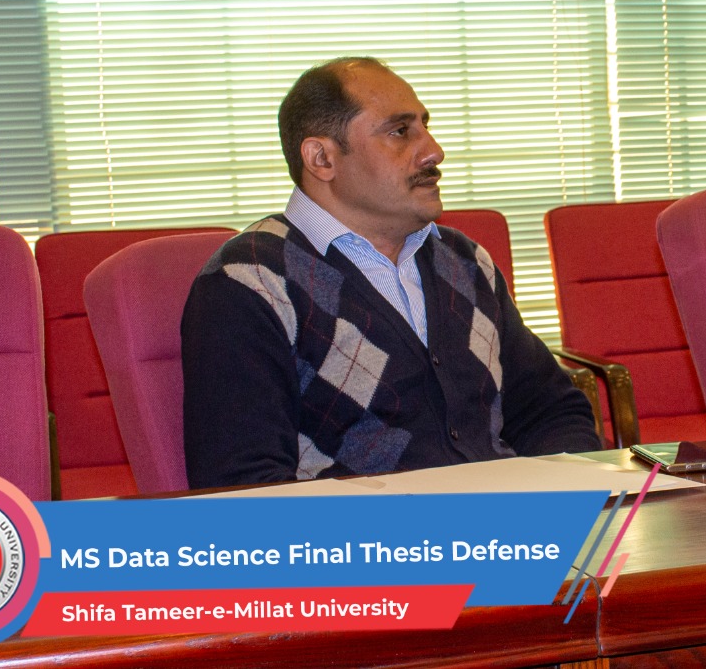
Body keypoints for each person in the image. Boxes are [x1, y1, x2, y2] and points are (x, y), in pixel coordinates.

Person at [182, 56, 600, 488]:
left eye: (425, 126)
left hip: (516, 519)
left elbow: (550, 411)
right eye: (400, 132)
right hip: (367, 531)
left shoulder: (463, 260)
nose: (434, 151)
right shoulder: (250, 283)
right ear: (321, 158)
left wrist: (569, 497)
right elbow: (244, 486)